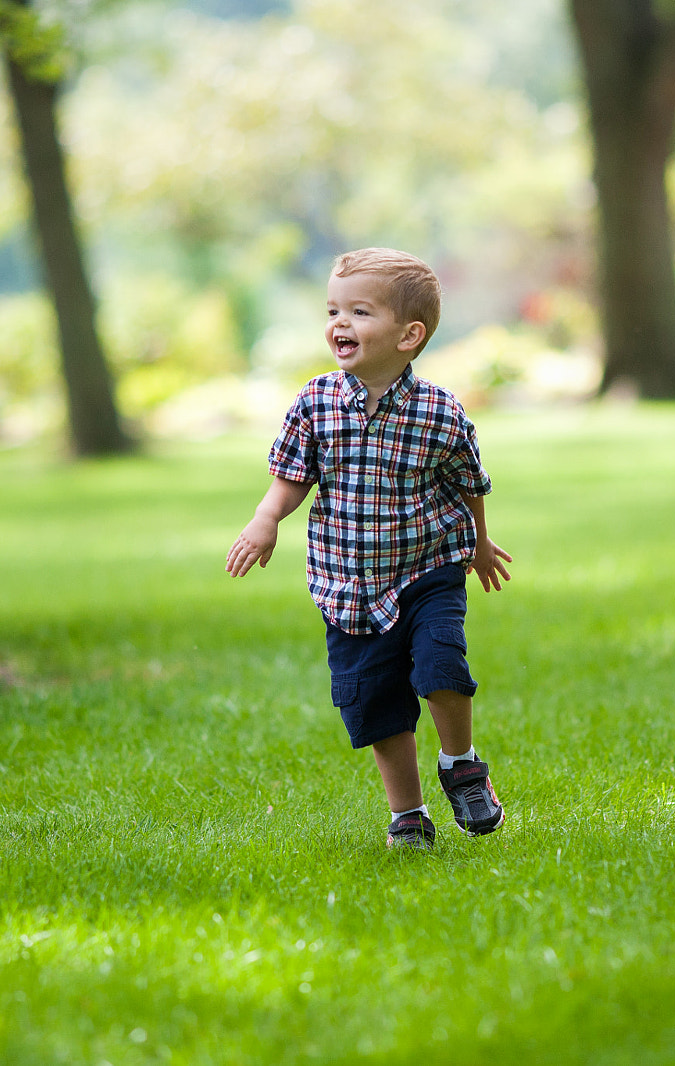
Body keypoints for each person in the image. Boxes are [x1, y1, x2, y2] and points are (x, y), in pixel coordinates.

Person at [225, 247, 513, 849]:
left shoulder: (440, 411)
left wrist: (481, 545)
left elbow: (469, 484)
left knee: (442, 666)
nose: (339, 323)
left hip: (428, 568)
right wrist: (265, 519)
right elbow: (291, 476)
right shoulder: (315, 402)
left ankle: (461, 764)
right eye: (334, 309)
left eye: (359, 311)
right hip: (348, 582)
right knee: (376, 701)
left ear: (409, 335)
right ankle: (407, 814)